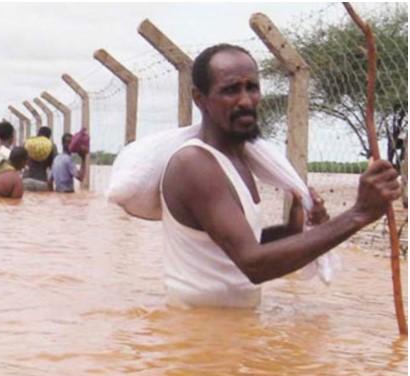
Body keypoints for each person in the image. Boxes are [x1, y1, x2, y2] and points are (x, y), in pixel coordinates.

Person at [160, 43, 401, 308]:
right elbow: (253, 264)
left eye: (252, 87)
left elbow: (235, 244)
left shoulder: (237, 159)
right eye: (230, 90)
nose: (245, 100)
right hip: (200, 334)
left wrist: (292, 231)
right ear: (199, 98)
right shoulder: (195, 164)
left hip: (228, 329)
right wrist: (358, 214)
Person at [23, 126, 57, 192]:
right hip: (42, 180)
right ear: (49, 137)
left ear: (38, 134)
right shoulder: (51, 145)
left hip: (26, 178)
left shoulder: (27, 143)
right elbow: (53, 167)